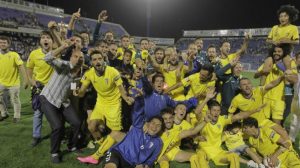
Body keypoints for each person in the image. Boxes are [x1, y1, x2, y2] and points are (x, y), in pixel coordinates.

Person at [75, 51, 134, 164]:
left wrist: (126, 98)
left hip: (113, 104)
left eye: (99, 59)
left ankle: (96, 156)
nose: (97, 61)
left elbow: (121, 88)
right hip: (100, 103)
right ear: (91, 62)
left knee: (115, 132)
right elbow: (82, 91)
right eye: (94, 59)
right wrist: (78, 92)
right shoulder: (89, 73)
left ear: (104, 60)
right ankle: (104, 147)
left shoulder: (112, 71)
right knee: (92, 127)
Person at [39, 40, 84, 163]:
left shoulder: (80, 72)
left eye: (81, 57)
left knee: (76, 122)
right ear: (70, 57)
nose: (79, 59)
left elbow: (73, 84)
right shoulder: (63, 65)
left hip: (63, 100)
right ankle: (54, 152)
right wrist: (63, 46)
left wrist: (75, 90)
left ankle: (72, 145)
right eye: (76, 56)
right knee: (58, 126)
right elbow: (47, 58)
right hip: (48, 98)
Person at [195, 97, 266, 168]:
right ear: (209, 111)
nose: (216, 113)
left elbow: (238, 116)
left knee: (233, 156)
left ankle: (253, 164)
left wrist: (255, 110)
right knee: (201, 160)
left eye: (218, 110)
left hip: (217, 150)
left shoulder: (221, 119)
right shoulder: (204, 119)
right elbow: (197, 112)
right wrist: (207, 98)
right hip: (204, 148)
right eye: (214, 110)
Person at [103, 95, 163, 168]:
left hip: (131, 164)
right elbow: (137, 113)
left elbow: (152, 159)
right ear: (148, 123)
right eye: (153, 123)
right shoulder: (138, 127)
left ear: (160, 129)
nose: (155, 127)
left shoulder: (158, 143)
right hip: (118, 153)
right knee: (111, 166)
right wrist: (140, 99)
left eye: (158, 125)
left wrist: (144, 165)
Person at [26, 31, 54, 147]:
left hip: (53, 89)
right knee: (38, 113)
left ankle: (56, 134)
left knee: (54, 114)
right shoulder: (34, 54)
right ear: (40, 41)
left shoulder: (56, 53)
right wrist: (33, 83)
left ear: (52, 41)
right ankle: (36, 136)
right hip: (39, 89)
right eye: (43, 38)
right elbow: (29, 70)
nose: (45, 39)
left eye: (48, 37)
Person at [0, 35, 29, 122]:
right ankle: (4, 113)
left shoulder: (14, 55)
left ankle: (17, 116)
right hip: (1, 82)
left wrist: (26, 80)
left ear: (8, 44)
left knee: (15, 100)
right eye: (0, 42)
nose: (2, 44)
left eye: (4, 43)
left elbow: (21, 67)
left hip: (14, 83)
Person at [265, 4, 299, 72]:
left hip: (286, 49)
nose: (282, 18)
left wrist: (287, 41)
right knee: (265, 70)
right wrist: (274, 42)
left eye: (285, 16)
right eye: (280, 16)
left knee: (288, 71)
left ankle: (288, 80)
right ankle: (262, 83)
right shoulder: (275, 27)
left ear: (290, 17)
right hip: (274, 49)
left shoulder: (293, 28)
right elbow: (267, 40)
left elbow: (297, 42)